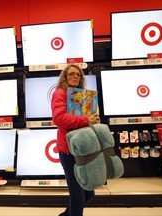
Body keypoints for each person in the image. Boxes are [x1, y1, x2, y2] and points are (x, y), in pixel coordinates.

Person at [51, 64, 100, 216]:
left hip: (83, 148)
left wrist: (94, 120)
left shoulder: (82, 94)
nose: (75, 77)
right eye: (71, 74)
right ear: (64, 77)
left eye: (78, 75)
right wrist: (86, 120)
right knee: (78, 195)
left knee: (88, 193)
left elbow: (85, 118)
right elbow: (59, 118)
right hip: (69, 150)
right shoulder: (60, 93)